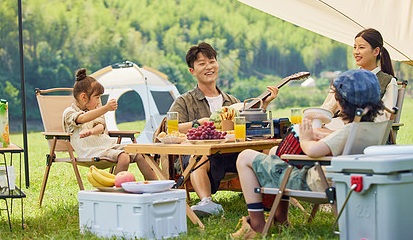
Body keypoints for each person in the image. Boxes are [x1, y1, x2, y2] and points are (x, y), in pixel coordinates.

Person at [232, 69, 385, 239]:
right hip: (346, 182)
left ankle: (257, 224)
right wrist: (325, 135)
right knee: (275, 151)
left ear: (344, 103)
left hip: (316, 183)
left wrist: (305, 138)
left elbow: (312, 151)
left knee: (245, 157)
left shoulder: (348, 131)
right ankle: (281, 220)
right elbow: (342, 140)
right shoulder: (373, 129)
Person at [169, 42, 279, 217]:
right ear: (192, 71)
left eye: (211, 61)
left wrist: (263, 107)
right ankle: (207, 203)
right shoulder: (184, 101)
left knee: (265, 149)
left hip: (230, 155)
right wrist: (198, 123)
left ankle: (272, 197)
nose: (209, 67)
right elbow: (171, 128)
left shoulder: (232, 101)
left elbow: (249, 130)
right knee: (199, 154)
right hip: (198, 157)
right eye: (202, 63)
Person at [63, 68, 157, 179]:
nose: (99, 102)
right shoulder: (69, 112)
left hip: (107, 146)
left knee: (138, 152)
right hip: (90, 151)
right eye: (97, 98)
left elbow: (100, 127)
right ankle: (114, 189)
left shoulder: (95, 110)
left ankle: (155, 184)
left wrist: (91, 131)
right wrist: (106, 108)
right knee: (124, 157)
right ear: (83, 97)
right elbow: (82, 118)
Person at [322, 28, 397, 124]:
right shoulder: (346, 79)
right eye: (354, 47)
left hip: (362, 132)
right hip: (337, 126)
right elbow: (327, 109)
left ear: (376, 51)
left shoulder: (388, 81)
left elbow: (384, 118)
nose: (356, 52)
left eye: (361, 47)